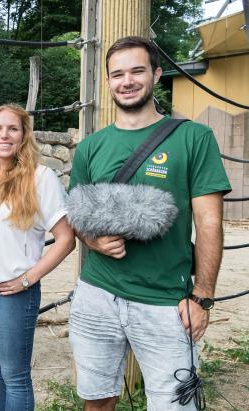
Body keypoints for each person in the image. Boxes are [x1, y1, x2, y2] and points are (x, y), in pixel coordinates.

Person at [68, 36, 231, 411]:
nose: (127, 81)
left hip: (165, 303)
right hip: (96, 295)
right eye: (117, 74)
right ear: (107, 82)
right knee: (95, 398)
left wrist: (202, 297)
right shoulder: (91, 147)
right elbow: (76, 216)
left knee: (174, 406)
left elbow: (209, 222)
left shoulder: (193, 138)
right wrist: (91, 241)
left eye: (137, 71)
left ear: (156, 74)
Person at [0, 104, 75, 411]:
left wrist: (29, 278)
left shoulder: (40, 178)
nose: (4, 135)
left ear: (24, 135)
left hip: (13, 291)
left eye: (12, 128)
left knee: (15, 375)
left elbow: (66, 239)